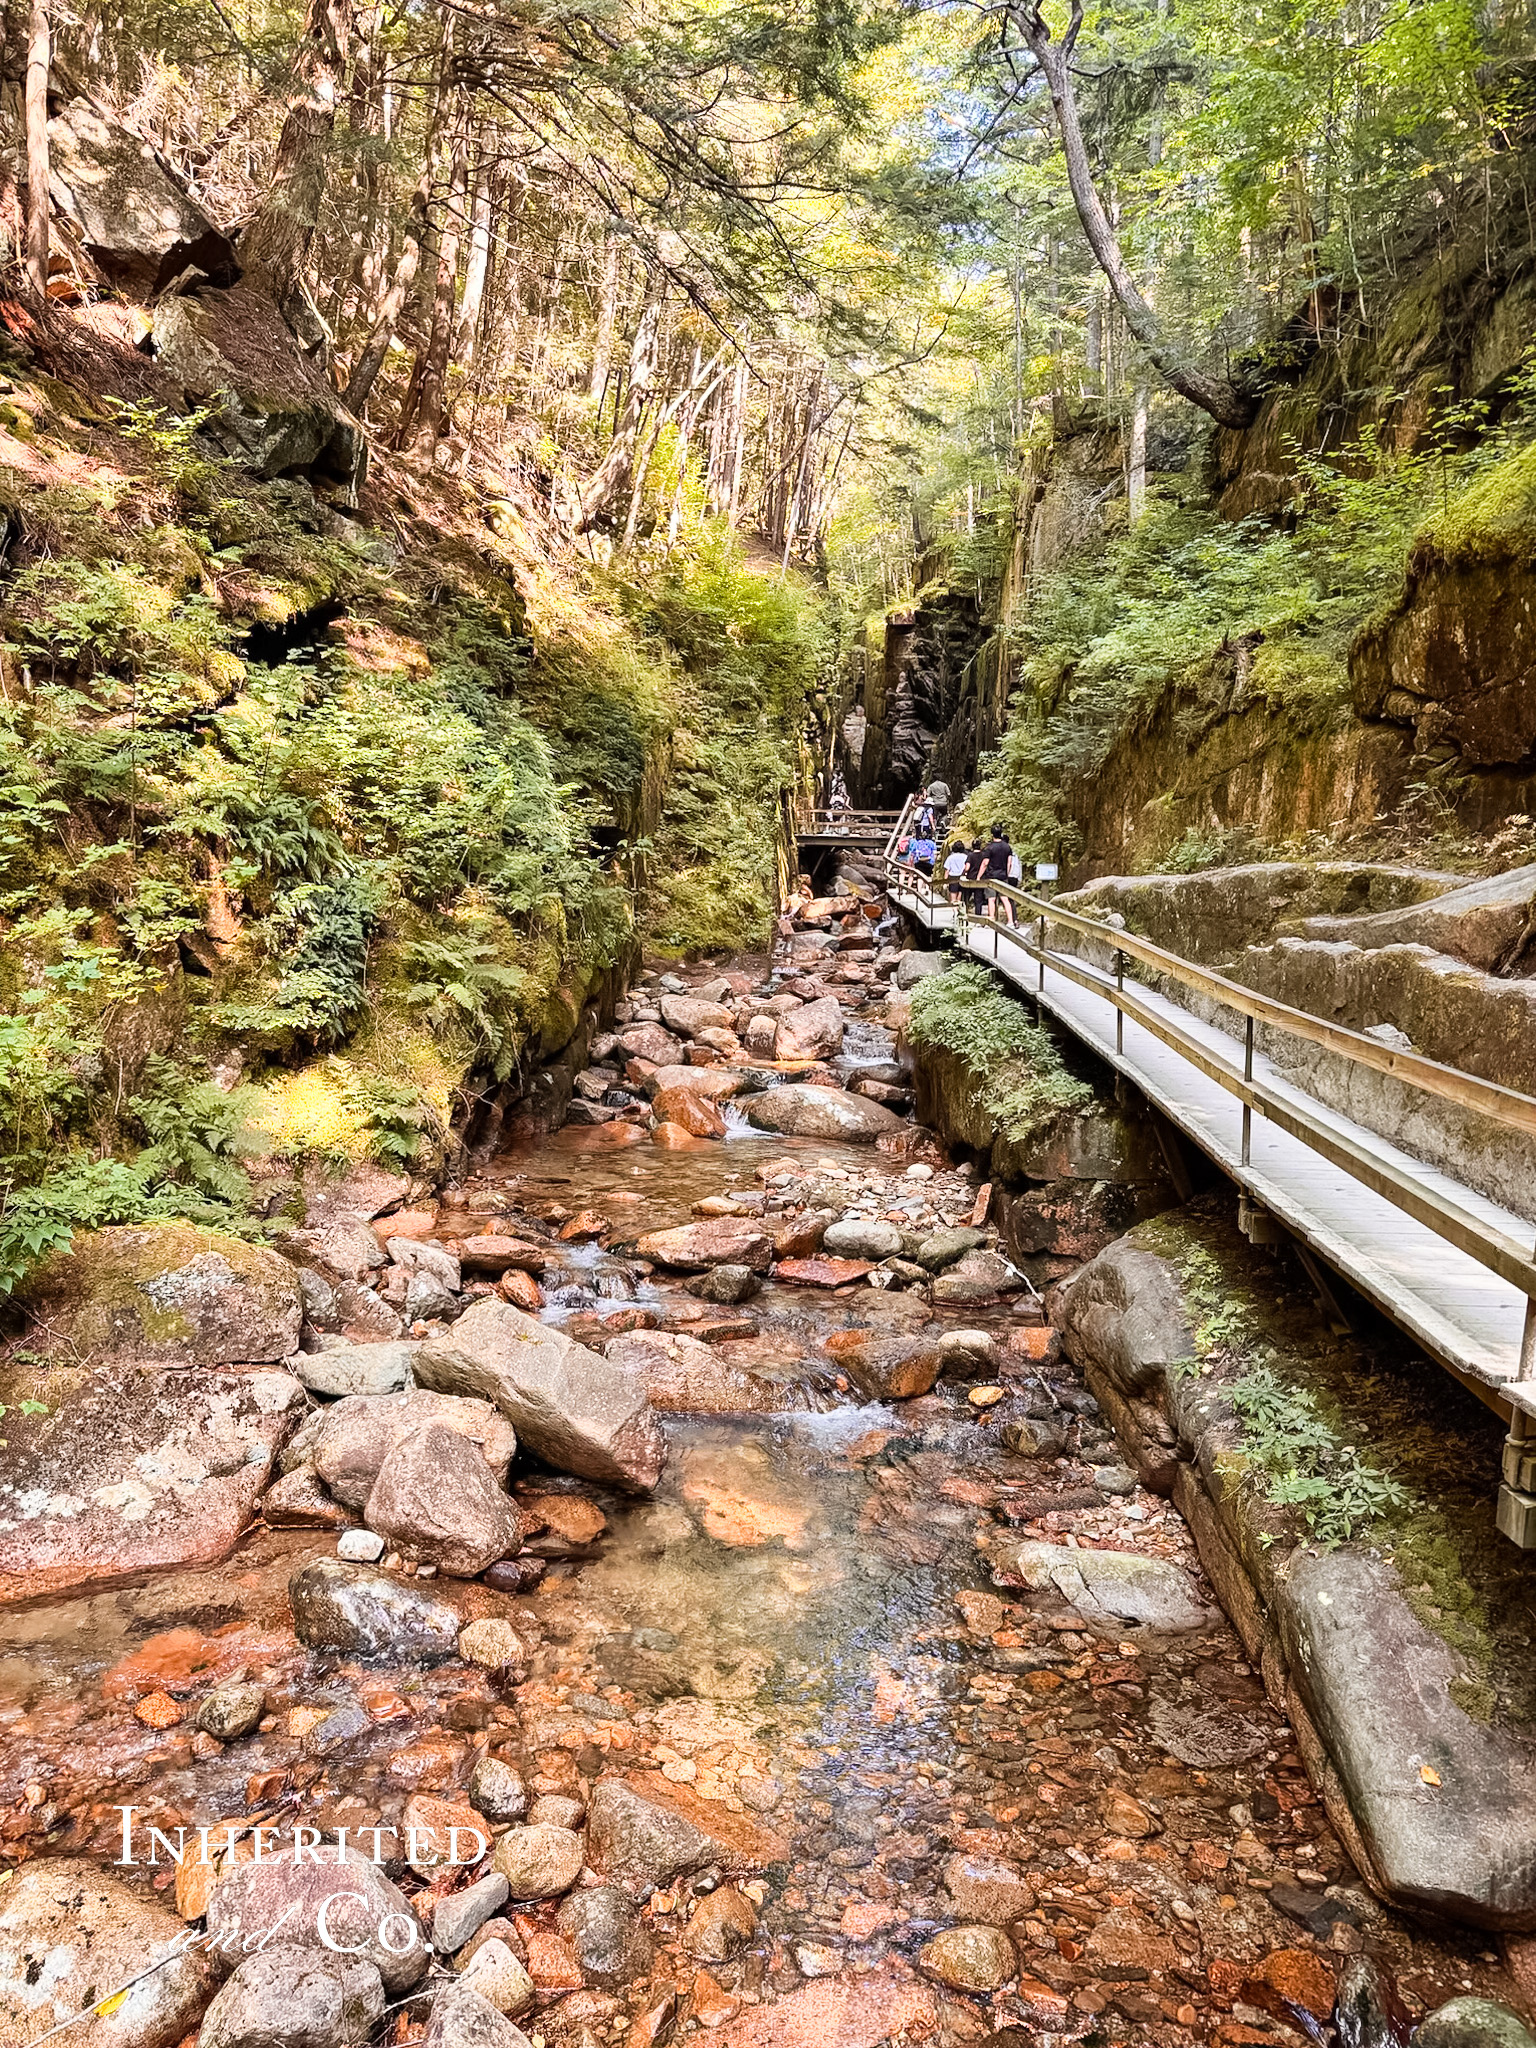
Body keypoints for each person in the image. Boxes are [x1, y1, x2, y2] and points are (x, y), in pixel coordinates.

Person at [983, 823, 1014, 926]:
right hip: (1003, 875)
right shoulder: (1007, 847)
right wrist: (1007, 873)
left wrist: (979, 876)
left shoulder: (989, 848)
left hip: (992, 876)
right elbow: (1009, 862)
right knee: (1005, 898)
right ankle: (1010, 921)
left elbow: (985, 863)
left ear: (992, 834)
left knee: (991, 899)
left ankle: (991, 919)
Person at [960, 836, 988, 918]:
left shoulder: (970, 855)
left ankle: (964, 913)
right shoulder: (983, 855)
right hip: (980, 880)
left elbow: (967, 867)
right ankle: (978, 916)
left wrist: (964, 872)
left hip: (970, 879)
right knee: (978, 900)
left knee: (966, 897)